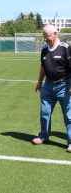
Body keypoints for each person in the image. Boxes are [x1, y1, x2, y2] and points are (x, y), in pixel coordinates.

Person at [33, 24, 71, 153]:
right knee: (44, 113)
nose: (45, 39)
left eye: (47, 36)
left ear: (55, 33)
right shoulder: (44, 49)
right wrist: (39, 83)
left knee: (68, 116)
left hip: (64, 85)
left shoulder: (65, 48)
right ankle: (43, 136)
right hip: (48, 86)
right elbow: (43, 67)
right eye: (44, 36)